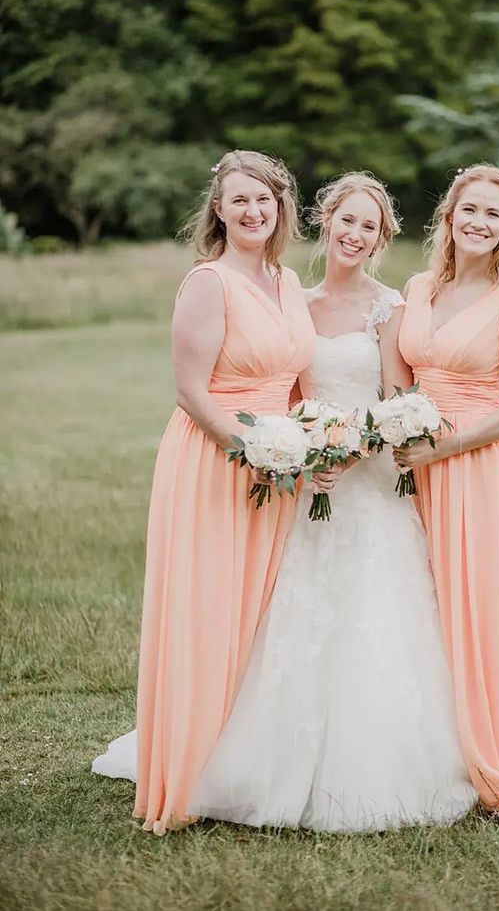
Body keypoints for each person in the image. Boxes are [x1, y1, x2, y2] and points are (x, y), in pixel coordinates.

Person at [183, 172, 477, 831]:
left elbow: (398, 402)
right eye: (346, 220)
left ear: (381, 238)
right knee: (297, 614)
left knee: (376, 616)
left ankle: (384, 770)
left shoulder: (390, 307)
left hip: (369, 487)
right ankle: (272, 765)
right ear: (325, 221)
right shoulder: (294, 299)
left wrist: (354, 448)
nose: (355, 234)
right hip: (308, 485)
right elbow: (286, 390)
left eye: (369, 226)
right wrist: (300, 451)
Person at [93, 150, 316, 835]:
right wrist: (251, 449)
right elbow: (190, 393)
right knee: (209, 611)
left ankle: (239, 766)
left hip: (279, 467)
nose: (253, 211)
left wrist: (307, 445)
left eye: (265, 200)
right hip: (216, 462)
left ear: (280, 209)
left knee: (259, 618)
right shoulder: (208, 283)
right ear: (218, 210)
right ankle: (184, 776)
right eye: (239, 200)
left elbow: (299, 380)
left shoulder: (285, 281)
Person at [396, 163, 499, 811]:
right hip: (413, 461)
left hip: (480, 463)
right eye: (471, 210)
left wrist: (446, 447)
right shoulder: (419, 286)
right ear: (449, 217)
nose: (480, 222)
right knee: (415, 600)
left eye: (494, 213)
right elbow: (398, 377)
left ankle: (489, 750)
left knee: (476, 600)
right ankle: (422, 747)